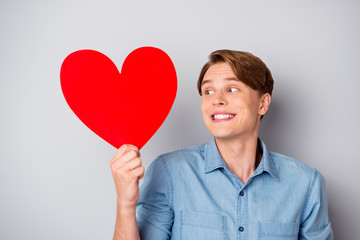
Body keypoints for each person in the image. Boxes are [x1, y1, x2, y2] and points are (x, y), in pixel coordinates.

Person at [110, 50, 333, 240]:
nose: (217, 99)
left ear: (262, 104)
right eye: (208, 91)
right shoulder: (169, 172)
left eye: (232, 89)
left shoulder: (307, 183)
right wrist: (125, 204)